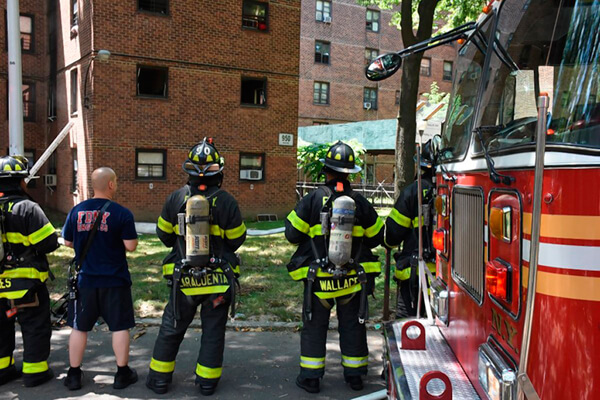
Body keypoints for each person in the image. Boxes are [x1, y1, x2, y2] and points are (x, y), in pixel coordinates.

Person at [146, 138, 246, 396]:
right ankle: (207, 383)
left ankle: (159, 379)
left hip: (184, 280)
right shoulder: (226, 201)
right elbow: (237, 240)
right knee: (213, 331)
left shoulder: (175, 198)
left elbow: (164, 236)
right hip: (218, 282)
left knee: (172, 326)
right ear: (219, 172)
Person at [285, 141, 383, 394]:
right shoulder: (359, 201)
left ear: (326, 171)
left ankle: (310, 379)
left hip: (318, 281)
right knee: (352, 326)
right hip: (352, 281)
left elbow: (292, 234)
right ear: (350, 173)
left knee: (314, 326)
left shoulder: (312, 199)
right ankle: (355, 377)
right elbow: (376, 237)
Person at [61, 167, 139, 390]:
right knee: (119, 327)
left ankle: (74, 374)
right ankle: (122, 373)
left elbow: (67, 242)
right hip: (115, 281)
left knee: (79, 327)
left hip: (85, 281)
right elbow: (131, 246)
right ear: (111, 185)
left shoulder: (76, 211)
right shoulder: (122, 213)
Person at [0, 155, 59, 387]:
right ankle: (35, 372)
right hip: (26, 285)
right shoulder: (27, 208)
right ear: (20, 181)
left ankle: (3, 370)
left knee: (1, 329)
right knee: (35, 327)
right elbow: (48, 243)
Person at [384, 140, 436, 318]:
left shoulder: (413, 191)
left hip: (414, 276)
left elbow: (391, 235)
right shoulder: (452, 190)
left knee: (408, 328)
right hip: (444, 278)